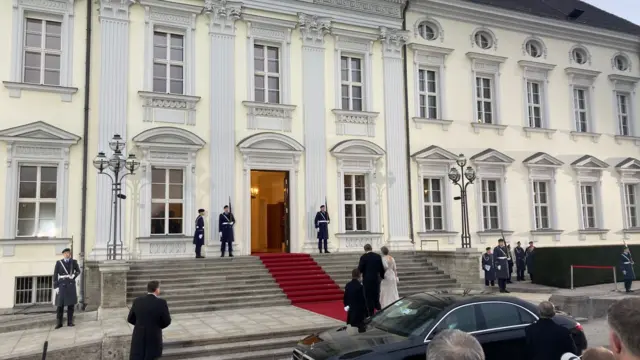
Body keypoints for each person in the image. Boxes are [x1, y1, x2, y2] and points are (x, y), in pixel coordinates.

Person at [128, 280, 172, 360]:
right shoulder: (161, 303)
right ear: (157, 289)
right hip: (154, 335)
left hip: (139, 334)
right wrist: (157, 326)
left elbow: (130, 318)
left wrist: (140, 324)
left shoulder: (137, 301)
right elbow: (167, 321)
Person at [53, 248, 81, 329]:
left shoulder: (73, 262)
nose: (67, 254)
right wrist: (56, 286)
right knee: (60, 305)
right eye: (65, 253)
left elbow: (78, 271)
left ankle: (70, 322)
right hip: (62, 284)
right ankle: (59, 323)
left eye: (68, 253)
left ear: (70, 254)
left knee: (71, 305)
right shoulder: (59, 263)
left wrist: (74, 276)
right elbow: (55, 275)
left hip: (71, 284)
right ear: (63, 254)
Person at [357, 244, 385, 316]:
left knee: (368, 296)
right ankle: (379, 310)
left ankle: (371, 313)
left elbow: (360, 268)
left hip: (367, 279)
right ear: (371, 248)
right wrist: (382, 276)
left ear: (365, 249)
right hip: (376, 278)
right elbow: (381, 268)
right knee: (376, 295)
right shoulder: (378, 256)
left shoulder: (363, 257)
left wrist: (359, 276)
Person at [343, 268, 367, 333]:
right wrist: (367, 314)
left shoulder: (348, 285)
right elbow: (363, 301)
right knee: (361, 332)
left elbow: (345, 298)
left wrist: (346, 306)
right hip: (359, 315)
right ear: (359, 276)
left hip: (351, 313)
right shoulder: (360, 287)